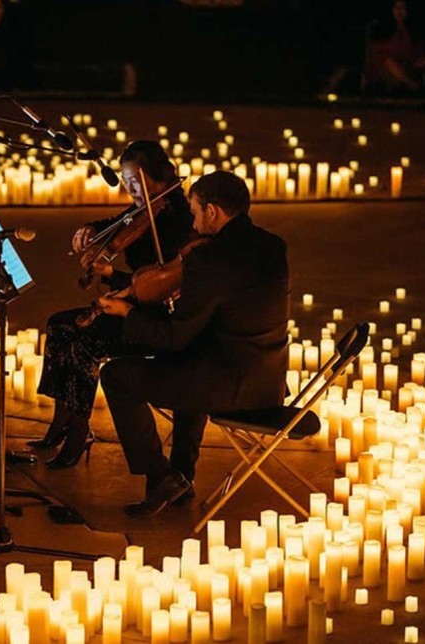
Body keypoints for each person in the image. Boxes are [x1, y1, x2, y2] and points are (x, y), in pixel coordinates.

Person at [93, 171, 289, 518]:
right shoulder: (273, 245)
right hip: (267, 382)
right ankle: (181, 477)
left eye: (196, 212)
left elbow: (174, 335)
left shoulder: (209, 259)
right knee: (190, 364)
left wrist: (127, 312)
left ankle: (162, 474)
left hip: (232, 387)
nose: (194, 222)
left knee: (117, 376)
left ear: (212, 211)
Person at [29, 140, 196, 469]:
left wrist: (110, 275)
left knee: (85, 343)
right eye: (126, 181)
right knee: (59, 326)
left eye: (135, 181)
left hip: (154, 317)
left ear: (156, 177)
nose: (129, 189)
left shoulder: (176, 218)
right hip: (132, 304)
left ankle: (79, 432)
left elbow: (153, 287)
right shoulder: (145, 209)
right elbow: (117, 223)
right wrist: (90, 229)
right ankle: (61, 422)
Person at [364, 0, 425, 95]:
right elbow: (380, 52)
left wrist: (412, 62)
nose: (400, 12)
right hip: (386, 66)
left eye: (403, 8)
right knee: (388, 61)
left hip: (408, 63)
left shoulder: (413, 30)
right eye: (397, 8)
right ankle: (409, 84)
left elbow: (417, 51)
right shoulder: (384, 29)